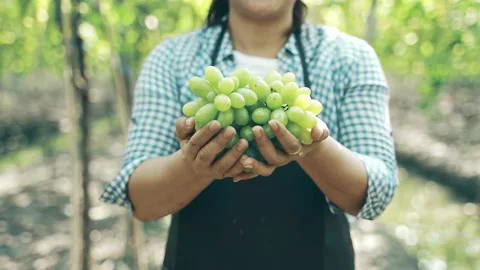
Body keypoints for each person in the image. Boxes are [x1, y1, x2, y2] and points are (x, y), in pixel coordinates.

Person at [100, 0, 398, 269]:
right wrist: (190, 167)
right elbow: (141, 199)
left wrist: (316, 149)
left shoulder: (350, 58)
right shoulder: (171, 58)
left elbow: (377, 192)